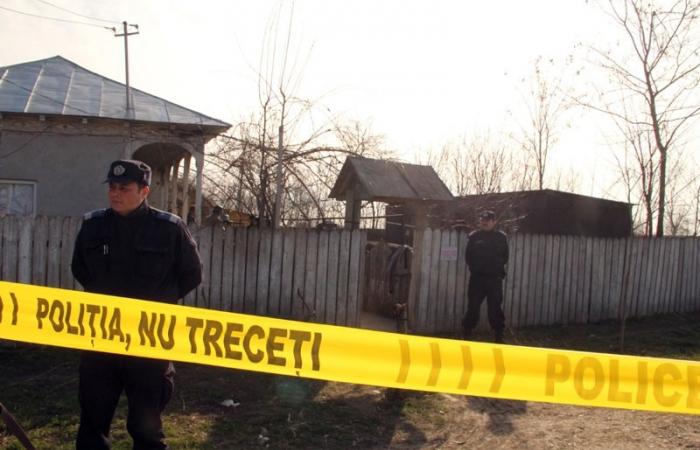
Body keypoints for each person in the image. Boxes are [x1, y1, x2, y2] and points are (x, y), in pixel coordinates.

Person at [71, 159, 202, 449]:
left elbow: (191, 274)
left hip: (148, 343)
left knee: (146, 431)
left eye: (124, 188)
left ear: (144, 191)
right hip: (101, 340)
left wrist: (158, 303)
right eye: (112, 187)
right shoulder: (94, 226)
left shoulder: (168, 229)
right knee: (92, 428)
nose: (115, 193)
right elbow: (80, 269)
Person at [462, 210, 509, 343]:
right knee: (473, 307)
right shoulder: (474, 237)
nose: (484, 222)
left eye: (487, 220)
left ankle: (499, 336)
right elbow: (468, 257)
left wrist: (495, 269)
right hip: (477, 279)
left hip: (494, 279)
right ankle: (466, 334)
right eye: (482, 220)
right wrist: (476, 269)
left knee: (495, 308)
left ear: (494, 222)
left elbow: (505, 257)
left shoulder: (501, 237)